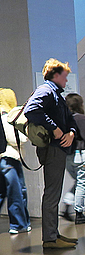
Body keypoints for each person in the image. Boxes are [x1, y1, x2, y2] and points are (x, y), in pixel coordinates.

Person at [23, 59, 79, 250]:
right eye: (64, 76)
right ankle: (50, 238)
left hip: (57, 149)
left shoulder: (55, 94)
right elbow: (31, 110)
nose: (66, 80)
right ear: (55, 75)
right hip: (53, 149)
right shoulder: (46, 91)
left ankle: (53, 234)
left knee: (54, 193)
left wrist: (71, 133)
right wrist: (54, 128)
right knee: (52, 194)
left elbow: (70, 120)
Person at [0, 89, 31, 234]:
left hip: (7, 159)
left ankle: (22, 223)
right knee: (16, 192)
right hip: (10, 159)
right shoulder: (6, 117)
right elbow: (18, 139)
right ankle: (18, 224)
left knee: (6, 192)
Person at [62, 93, 85, 224]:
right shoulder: (80, 118)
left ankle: (67, 205)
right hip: (80, 154)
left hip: (68, 155)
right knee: (81, 184)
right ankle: (79, 214)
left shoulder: (64, 118)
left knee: (77, 182)